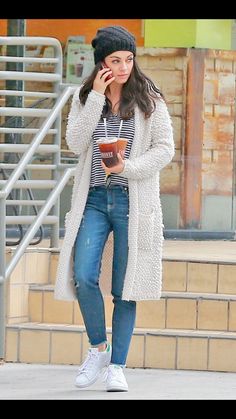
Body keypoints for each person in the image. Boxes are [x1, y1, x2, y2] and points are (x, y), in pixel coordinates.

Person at [54, 25, 175, 392]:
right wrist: (96, 97)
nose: (124, 67)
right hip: (92, 199)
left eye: (128, 59)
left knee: (125, 286)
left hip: (130, 201)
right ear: (101, 63)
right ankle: (98, 349)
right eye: (115, 60)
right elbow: (75, 143)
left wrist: (128, 168)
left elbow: (165, 148)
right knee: (84, 276)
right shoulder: (85, 95)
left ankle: (117, 366)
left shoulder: (149, 99)